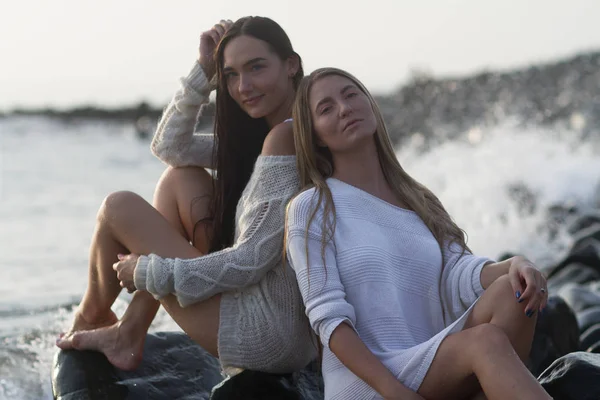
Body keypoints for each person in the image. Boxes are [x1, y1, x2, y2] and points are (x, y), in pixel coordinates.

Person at [56, 16, 318, 377]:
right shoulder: (281, 133)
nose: (243, 86)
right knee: (179, 180)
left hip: (267, 337)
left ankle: (89, 321)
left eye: (256, 68)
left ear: (291, 65)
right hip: (287, 329)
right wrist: (202, 73)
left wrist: (149, 271)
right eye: (230, 75)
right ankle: (129, 331)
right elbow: (170, 147)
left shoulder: (284, 139)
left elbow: (248, 260)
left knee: (118, 207)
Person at [285, 67, 552, 400]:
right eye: (326, 108)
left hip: (433, 362)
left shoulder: (417, 197)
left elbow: (457, 273)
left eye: (351, 94)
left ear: (370, 104)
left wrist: (517, 264)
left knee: (513, 291)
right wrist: (394, 392)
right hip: (370, 384)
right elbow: (328, 321)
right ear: (315, 136)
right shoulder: (312, 207)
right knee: (486, 342)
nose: (344, 108)